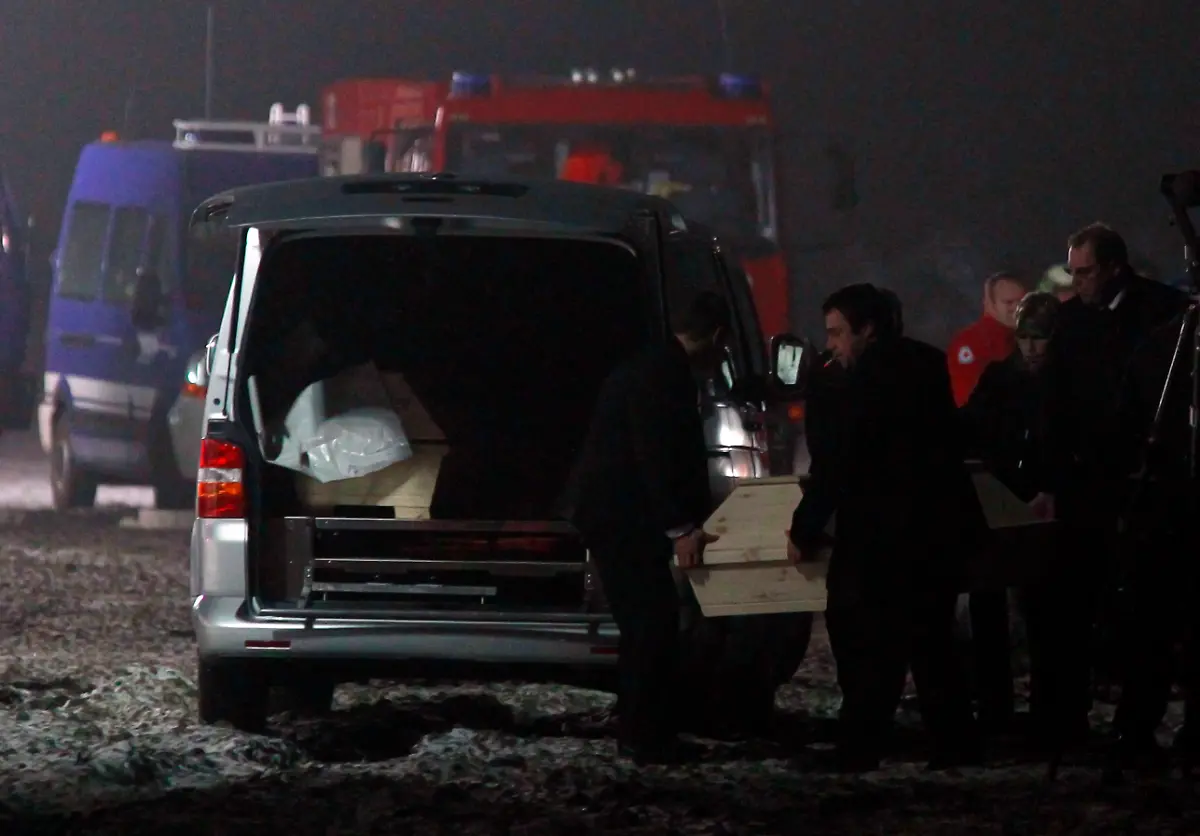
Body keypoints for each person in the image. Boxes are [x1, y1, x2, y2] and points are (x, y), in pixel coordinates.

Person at [788, 282, 985, 772]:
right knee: (931, 641)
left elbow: (837, 462)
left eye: (837, 333)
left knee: (870, 644)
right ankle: (953, 742)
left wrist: (805, 527)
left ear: (866, 330)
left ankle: (861, 746)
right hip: (936, 530)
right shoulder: (926, 364)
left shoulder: (855, 385)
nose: (831, 344)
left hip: (880, 534)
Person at [1038, 222, 1188, 757]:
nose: (1078, 282)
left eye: (1087, 271)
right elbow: (1055, 402)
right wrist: (1054, 476)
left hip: (1148, 483)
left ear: (1113, 267)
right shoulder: (1072, 321)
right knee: (1075, 606)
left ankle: (1136, 723)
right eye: (1074, 272)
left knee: (1148, 609)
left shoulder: (1161, 312)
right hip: (1088, 483)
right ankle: (1071, 720)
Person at [562, 291, 728, 765]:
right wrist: (681, 528)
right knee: (651, 625)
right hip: (622, 519)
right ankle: (645, 735)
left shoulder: (651, 367)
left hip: (615, 517)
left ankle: (645, 729)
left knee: (647, 624)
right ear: (716, 337)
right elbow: (655, 456)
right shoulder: (663, 375)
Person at [960, 292, 1061, 742]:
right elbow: (973, 428)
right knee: (994, 609)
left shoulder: (1061, 380)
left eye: (1039, 339)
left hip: (1037, 501)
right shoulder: (1002, 379)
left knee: (1043, 615)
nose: (1031, 348)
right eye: (1025, 338)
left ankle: (1045, 711)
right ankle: (998, 708)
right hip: (1003, 501)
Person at [947, 272, 1029, 407]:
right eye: (1009, 302)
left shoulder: (1023, 338)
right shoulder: (970, 343)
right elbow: (965, 399)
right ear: (989, 303)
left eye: (1021, 302)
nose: (1017, 308)